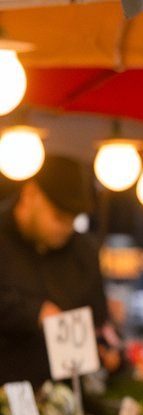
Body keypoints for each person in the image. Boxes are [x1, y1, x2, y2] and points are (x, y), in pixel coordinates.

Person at [0, 154, 119, 387]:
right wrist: (34, 312)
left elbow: (99, 320)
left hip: (64, 400)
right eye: (58, 216)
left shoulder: (83, 251)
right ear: (30, 194)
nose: (66, 227)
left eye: (73, 219)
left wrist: (108, 347)